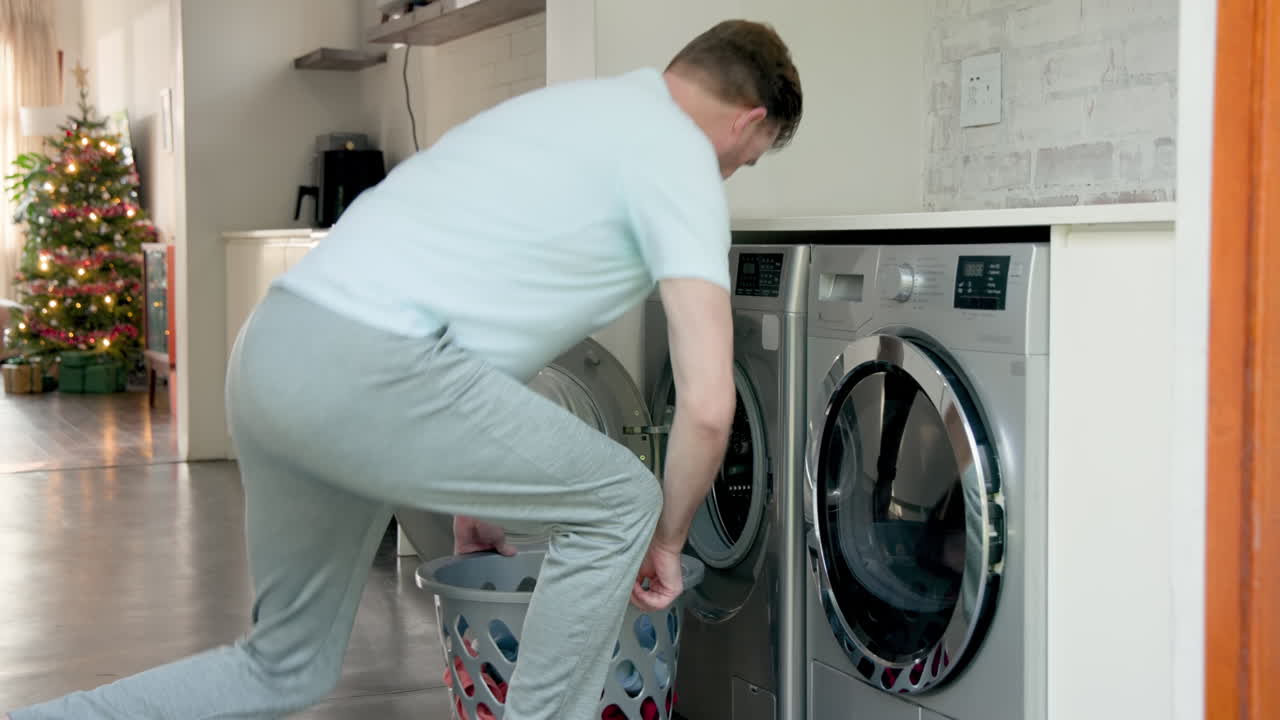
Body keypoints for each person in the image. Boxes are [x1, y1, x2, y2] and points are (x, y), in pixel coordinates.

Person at [6, 19, 802, 720]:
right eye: (749, 159)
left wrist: (476, 491)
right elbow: (707, 406)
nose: (733, 171)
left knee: (283, 666)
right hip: (374, 370)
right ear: (750, 119)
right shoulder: (679, 154)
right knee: (622, 502)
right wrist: (666, 540)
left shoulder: (568, 113)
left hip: (275, 351)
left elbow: (482, 300)